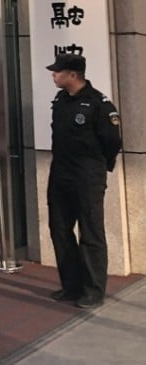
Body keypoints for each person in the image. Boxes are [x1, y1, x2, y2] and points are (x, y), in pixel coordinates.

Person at [45, 53, 122, 310]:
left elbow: (112, 141)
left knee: (91, 232)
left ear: (73, 74)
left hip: (87, 176)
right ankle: (71, 285)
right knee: (60, 230)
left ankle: (93, 290)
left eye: (58, 71)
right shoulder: (61, 100)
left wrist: (99, 167)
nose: (54, 75)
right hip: (61, 174)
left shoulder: (99, 104)